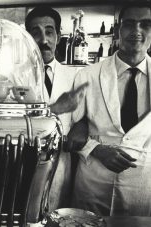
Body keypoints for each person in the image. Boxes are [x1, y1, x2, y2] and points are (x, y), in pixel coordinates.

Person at [71, 2, 151, 216]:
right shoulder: (87, 75)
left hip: (143, 188)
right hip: (95, 185)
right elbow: (71, 133)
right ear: (117, 30)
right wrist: (97, 150)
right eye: (129, 24)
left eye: (146, 24)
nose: (137, 31)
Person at [25, 5, 85, 211]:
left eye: (49, 32)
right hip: (26, 161)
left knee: (57, 214)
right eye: (36, 33)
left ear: (58, 37)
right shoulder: (17, 76)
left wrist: (83, 124)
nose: (44, 40)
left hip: (62, 164)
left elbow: (83, 116)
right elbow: (17, 122)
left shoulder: (76, 75)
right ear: (27, 38)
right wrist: (57, 108)